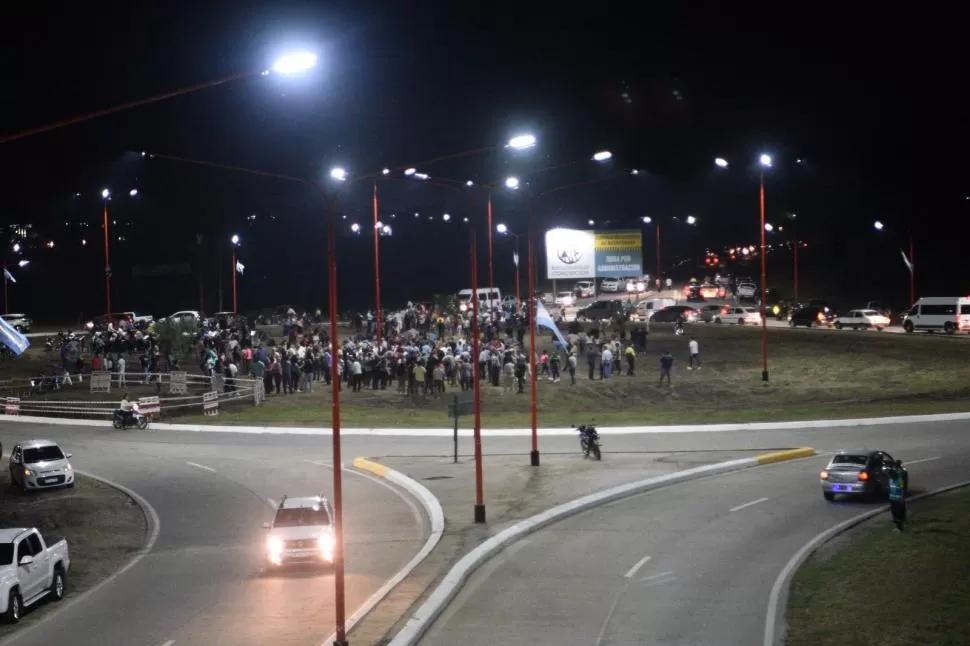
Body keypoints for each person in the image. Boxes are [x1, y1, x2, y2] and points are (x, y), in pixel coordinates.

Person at [888, 460, 907, 532]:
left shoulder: (899, 479)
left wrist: (902, 498)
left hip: (898, 500)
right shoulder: (891, 479)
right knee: (895, 514)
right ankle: (898, 527)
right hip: (892, 499)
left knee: (898, 514)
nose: (890, 476)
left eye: (891, 475)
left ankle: (900, 529)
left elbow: (901, 489)